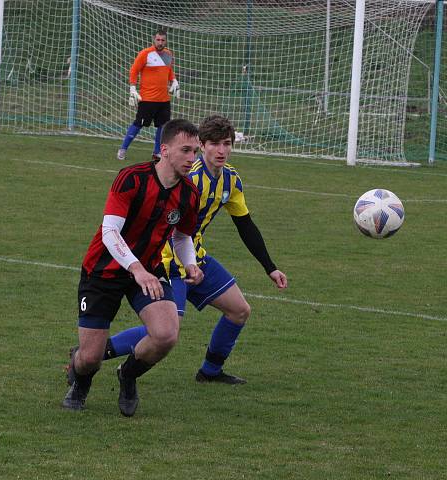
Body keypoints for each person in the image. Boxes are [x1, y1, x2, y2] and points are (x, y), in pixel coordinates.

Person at [101, 115, 288, 384]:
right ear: (201, 145)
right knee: (164, 331)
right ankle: (92, 353)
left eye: (227, 143)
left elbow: (245, 224)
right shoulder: (187, 179)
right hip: (165, 261)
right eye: (214, 144)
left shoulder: (231, 181)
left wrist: (270, 267)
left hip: (195, 259)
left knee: (239, 310)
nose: (221, 150)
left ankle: (210, 372)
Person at [63, 118, 202, 417]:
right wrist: (136, 268)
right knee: (91, 358)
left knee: (166, 334)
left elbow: (182, 236)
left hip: (148, 272)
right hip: (104, 272)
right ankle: (80, 381)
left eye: (196, 151)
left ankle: (128, 375)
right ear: (164, 150)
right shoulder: (131, 178)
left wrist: (190, 264)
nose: (192, 158)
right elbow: (109, 231)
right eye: (186, 150)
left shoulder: (189, 193)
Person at [117, 29, 180, 162]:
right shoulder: (145, 54)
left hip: (164, 99)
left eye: (163, 40)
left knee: (162, 126)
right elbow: (134, 70)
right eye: (158, 40)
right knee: (138, 123)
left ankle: (157, 152)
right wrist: (132, 88)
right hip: (147, 99)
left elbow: (169, 71)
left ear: (166, 41)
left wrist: (174, 80)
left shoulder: (168, 54)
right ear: (153, 39)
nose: (160, 42)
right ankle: (123, 149)